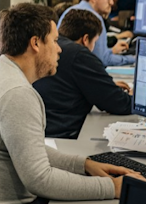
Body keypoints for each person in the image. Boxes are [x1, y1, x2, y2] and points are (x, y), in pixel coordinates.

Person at [0, 3, 145, 204]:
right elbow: (40, 180)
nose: (59, 49)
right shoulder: (15, 93)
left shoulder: (0, 71)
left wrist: (84, 165)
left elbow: (31, 149)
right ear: (36, 43)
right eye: (55, 40)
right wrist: (113, 187)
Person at [34, 9, 132, 139]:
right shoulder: (79, 54)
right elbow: (119, 103)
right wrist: (134, 97)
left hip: (46, 128)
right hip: (64, 134)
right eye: (95, 42)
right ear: (85, 39)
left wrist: (105, 86)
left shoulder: (56, 47)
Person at [58, 0, 135, 66]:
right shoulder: (94, 19)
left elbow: (96, 54)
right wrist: (133, 58)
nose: (111, 2)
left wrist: (111, 51)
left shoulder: (70, 11)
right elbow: (104, 60)